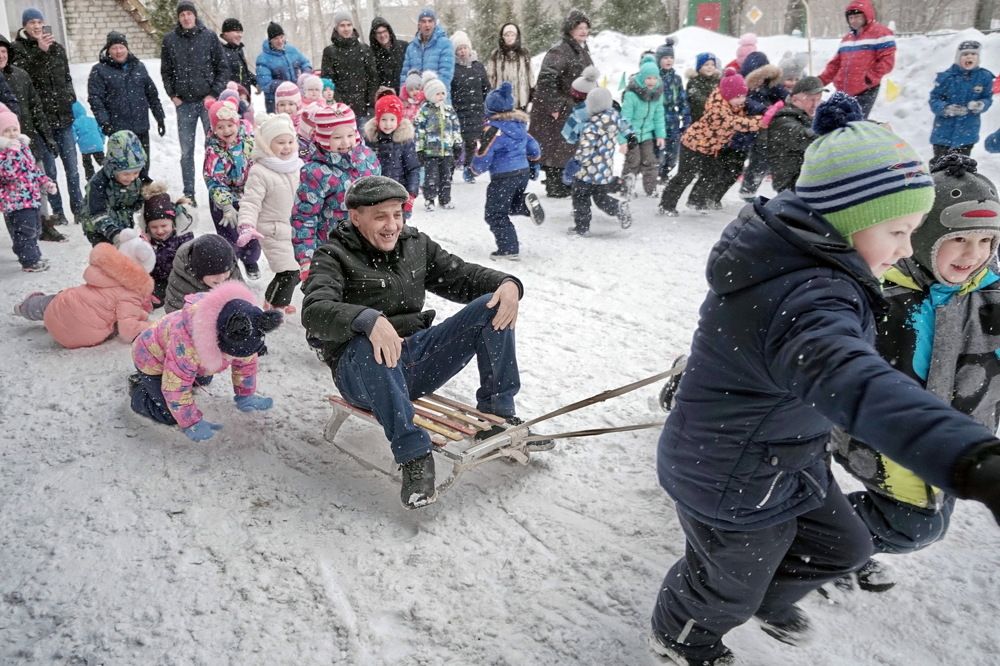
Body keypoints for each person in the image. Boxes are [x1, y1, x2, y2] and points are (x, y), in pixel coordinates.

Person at [647, 94, 1000, 666]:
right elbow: (854, 379)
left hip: (787, 454)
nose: (907, 248)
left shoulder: (815, 259)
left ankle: (765, 596)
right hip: (727, 473)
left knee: (844, 546)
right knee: (728, 583)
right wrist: (967, 457)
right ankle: (685, 637)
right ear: (848, 219)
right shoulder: (808, 295)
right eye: (898, 230)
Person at [302, 175, 553, 509]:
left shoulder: (415, 246)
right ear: (355, 217)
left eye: (397, 214)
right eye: (380, 217)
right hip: (361, 372)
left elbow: (462, 275)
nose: (392, 225)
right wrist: (367, 319)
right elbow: (314, 311)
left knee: (490, 305)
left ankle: (497, 416)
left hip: (413, 360)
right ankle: (414, 457)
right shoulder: (332, 256)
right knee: (368, 342)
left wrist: (507, 283)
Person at [832, 154, 1000, 589]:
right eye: (960, 239)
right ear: (924, 235)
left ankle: (841, 544)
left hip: (950, 434)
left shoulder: (990, 295)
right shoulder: (880, 291)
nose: (973, 255)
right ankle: (820, 545)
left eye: (987, 242)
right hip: (881, 430)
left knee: (923, 520)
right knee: (914, 524)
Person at [128, 281, 282, 441]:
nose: (237, 359)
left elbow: (246, 362)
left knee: (205, 377)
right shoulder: (187, 345)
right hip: (149, 358)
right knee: (170, 414)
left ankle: (155, 386)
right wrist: (190, 422)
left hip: (180, 357)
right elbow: (175, 386)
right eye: (232, 355)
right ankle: (139, 390)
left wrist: (246, 394)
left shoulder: (248, 325)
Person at [13, 229, 155, 348]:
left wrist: (138, 313)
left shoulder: (105, 269)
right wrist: (152, 326)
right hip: (76, 335)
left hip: (57, 309)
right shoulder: (130, 292)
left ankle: (24, 308)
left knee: (60, 299)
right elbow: (128, 330)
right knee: (108, 320)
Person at [657, 69, 766, 216]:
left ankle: (696, 200)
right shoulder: (718, 108)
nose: (742, 99)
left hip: (710, 147)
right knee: (685, 175)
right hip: (693, 144)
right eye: (738, 97)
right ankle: (666, 205)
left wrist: (766, 110)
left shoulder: (734, 103)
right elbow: (736, 123)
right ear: (728, 95)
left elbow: (749, 105)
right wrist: (762, 121)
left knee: (712, 173)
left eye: (743, 95)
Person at [291, 103, 380, 282]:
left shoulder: (367, 158)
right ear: (324, 138)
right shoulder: (315, 172)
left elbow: (381, 195)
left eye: (350, 135)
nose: (346, 142)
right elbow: (304, 217)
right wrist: (307, 259)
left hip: (371, 244)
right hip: (335, 250)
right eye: (337, 137)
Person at [12, 7, 84, 221]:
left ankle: (78, 209)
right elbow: (24, 77)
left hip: (64, 118)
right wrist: (39, 52)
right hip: (41, 123)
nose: (36, 26)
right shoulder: (18, 49)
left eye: (39, 22)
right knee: (49, 172)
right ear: (24, 26)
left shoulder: (57, 48)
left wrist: (70, 97)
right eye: (31, 22)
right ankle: (58, 213)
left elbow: (67, 77)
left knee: (72, 169)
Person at [160, 1, 228, 204]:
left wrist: (214, 93)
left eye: (189, 14)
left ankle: (216, 188)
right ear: (178, 18)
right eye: (182, 15)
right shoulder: (170, 40)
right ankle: (189, 193)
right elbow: (166, 71)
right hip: (185, 104)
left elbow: (222, 67)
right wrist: (172, 94)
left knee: (214, 148)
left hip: (207, 102)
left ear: (195, 16)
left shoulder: (208, 37)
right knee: (186, 151)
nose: (186, 17)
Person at [236, 113, 303, 314]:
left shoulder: (297, 166)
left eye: (290, 141)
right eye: (280, 142)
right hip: (273, 230)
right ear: (266, 144)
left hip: (295, 229)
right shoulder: (260, 171)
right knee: (289, 271)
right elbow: (250, 201)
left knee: (297, 270)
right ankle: (273, 307)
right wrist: (247, 225)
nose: (287, 147)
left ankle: (276, 301)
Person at [469, 82, 543, 259]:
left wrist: (473, 170)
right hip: (522, 172)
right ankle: (525, 204)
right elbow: (534, 148)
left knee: (495, 213)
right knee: (508, 204)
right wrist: (533, 163)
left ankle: (509, 249)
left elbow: (483, 154)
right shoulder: (519, 125)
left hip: (504, 176)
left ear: (490, 109)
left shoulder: (493, 130)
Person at [0, 33, 62, 240]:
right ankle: (21, 235)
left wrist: (46, 137)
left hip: (26, 139)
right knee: (11, 192)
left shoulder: (20, 75)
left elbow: (35, 108)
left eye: (4, 51)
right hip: (4, 148)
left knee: (39, 181)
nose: (1, 55)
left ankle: (42, 225)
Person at [530, 10, 593, 198]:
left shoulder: (581, 49)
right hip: (559, 106)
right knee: (556, 146)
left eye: (585, 27)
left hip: (574, 106)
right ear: (570, 29)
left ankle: (563, 181)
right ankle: (554, 184)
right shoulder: (560, 50)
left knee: (567, 146)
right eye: (578, 27)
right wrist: (554, 106)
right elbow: (547, 79)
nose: (583, 31)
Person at [88, 31, 165, 186]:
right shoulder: (100, 70)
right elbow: (96, 99)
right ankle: (124, 199)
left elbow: (152, 94)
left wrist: (160, 117)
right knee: (123, 168)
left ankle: (143, 197)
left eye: (121, 47)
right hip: (118, 130)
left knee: (142, 164)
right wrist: (105, 123)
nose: (118, 51)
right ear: (108, 50)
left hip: (140, 126)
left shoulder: (139, 67)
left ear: (127, 48)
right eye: (114, 48)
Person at [203, 98, 258, 279]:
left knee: (251, 231)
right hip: (223, 198)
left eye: (229, 125)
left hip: (247, 195)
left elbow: (259, 163)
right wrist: (226, 205)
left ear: (236, 122)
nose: (226, 131)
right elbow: (213, 179)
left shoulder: (249, 141)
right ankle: (231, 268)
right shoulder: (213, 150)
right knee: (229, 236)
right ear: (214, 129)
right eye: (220, 127)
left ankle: (250, 260)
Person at [567, 86, 631, 236]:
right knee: (600, 198)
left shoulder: (591, 126)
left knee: (580, 199)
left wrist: (575, 163)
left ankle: (582, 228)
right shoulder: (614, 118)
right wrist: (631, 136)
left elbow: (585, 149)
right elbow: (625, 124)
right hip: (604, 170)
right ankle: (617, 208)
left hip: (587, 172)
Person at [0, 103, 56, 272]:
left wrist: (45, 182)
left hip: (30, 198)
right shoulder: (3, 152)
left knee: (35, 229)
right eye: (6, 131)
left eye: (14, 129)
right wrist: (11, 153)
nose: (12, 134)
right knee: (27, 230)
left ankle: (27, 252)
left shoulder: (23, 147)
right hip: (15, 200)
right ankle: (30, 260)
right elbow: (8, 174)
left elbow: (32, 169)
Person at [819, 0, 895, 118]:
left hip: (864, 91)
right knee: (834, 122)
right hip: (842, 91)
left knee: (855, 125)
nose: (854, 21)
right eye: (851, 18)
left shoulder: (881, 34)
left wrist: (869, 78)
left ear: (867, 16)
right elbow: (835, 64)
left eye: (858, 17)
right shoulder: (847, 39)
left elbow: (887, 61)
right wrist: (821, 81)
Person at [735, 53, 788, 201]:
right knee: (740, 159)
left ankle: (749, 189)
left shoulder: (769, 84)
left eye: (763, 77)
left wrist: (786, 102)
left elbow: (784, 95)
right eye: (757, 77)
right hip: (748, 125)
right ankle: (745, 185)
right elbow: (745, 101)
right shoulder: (743, 87)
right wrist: (763, 109)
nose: (760, 81)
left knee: (762, 158)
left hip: (767, 126)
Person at [928, 40, 995, 159]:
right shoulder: (946, 77)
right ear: (958, 57)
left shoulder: (984, 77)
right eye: (965, 54)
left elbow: (988, 98)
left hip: (967, 134)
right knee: (939, 168)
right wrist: (946, 109)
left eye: (973, 54)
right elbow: (934, 99)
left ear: (978, 58)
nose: (969, 57)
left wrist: (981, 104)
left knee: (961, 169)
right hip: (943, 133)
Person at [80, 129, 147, 246]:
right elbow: (97, 213)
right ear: (113, 168)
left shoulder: (139, 178)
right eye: (126, 174)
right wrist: (114, 234)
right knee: (109, 257)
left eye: (135, 173)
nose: (131, 178)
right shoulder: (97, 183)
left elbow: (149, 196)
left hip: (123, 220)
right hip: (98, 227)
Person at [363, 92, 420, 218]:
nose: (388, 124)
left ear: (398, 120)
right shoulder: (371, 140)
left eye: (392, 119)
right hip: (375, 195)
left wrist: (411, 194)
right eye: (384, 119)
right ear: (377, 119)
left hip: (399, 195)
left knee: (397, 228)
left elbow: (413, 168)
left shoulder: (404, 141)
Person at [765, 76, 824, 193]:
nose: (815, 104)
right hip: (792, 185)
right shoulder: (782, 120)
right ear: (795, 99)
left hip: (808, 180)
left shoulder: (809, 117)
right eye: (811, 99)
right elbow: (807, 138)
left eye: (818, 99)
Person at [141, 181, 194, 307]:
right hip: (157, 281)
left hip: (180, 279)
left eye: (164, 225)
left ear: (173, 224)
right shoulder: (144, 241)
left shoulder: (183, 238)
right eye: (154, 227)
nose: (159, 231)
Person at [414, 76, 462, 212]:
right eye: (437, 93)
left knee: (446, 176)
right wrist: (419, 149)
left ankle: (445, 199)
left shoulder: (448, 110)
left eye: (443, 93)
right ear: (430, 95)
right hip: (430, 151)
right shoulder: (425, 111)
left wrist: (457, 144)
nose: (441, 96)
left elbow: (455, 128)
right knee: (431, 177)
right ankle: (429, 199)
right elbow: (419, 131)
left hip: (447, 151)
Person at [322, 12, 378, 126]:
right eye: (342, 25)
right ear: (336, 28)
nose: (346, 28)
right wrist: (339, 103)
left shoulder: (364, 49)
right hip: (340, 109)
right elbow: (328, 80)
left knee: (364, 141)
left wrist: (370, 103)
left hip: (363, 107)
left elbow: (373, 78)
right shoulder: (330, 51)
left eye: (349, 25)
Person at [621, 55, 665, 199]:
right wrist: (623, 141)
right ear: (641, 78)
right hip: (631, 135)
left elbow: (659, 116)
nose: (651, 81)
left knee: (650, 162)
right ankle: (626, 188)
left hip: (646, 135)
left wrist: (660, 135)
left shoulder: (657, 94)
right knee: (633, 161)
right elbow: (624, 119)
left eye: (654, 78)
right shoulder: (631, 95)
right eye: (648, 78)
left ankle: (650, 189)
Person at [164, 233, 242, 313]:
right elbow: (175, 312)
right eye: (214, 273)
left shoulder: (233, 271)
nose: (221, 278)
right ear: (199, 273)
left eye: (225, 271)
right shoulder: (181, 280)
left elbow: (243, 297)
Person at [449, 31, 489, 183]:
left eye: (465, 47)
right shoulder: (453, 68)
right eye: (459, 49)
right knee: (456, 144)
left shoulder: (478, 66)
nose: (462, 51)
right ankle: (449, 171)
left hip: (476, 110)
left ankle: (469, 170)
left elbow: (486, 87)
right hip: (459, 112)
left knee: (472, 143)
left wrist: (484, 105)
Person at [256, 22, 312, 114]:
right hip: (276, 102)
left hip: (295, 99)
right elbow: (265, 84)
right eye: (276, 39)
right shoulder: (263, 59)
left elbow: (305, 63)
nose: (280, 41)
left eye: (281, 37)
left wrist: (305, 76)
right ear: (270, 40)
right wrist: (287, 86)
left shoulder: (292, 50)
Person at [398, 8, 454, 97]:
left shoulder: (444, 44)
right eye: (423, 21)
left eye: (430, 21)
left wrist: (429, 93)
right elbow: (405, 75)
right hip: (414, 101)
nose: (427, 25)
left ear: (435, 23)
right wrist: (404, 96)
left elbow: (446, 74)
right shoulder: (411, 47)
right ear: (419, 24)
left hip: (437, 99)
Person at [656, 37, 690, 181]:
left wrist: (686, 118)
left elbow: (682, 100)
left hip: (673, 120)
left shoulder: (676, 79)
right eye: (665, 58)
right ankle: (657, 175)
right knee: (659, 151)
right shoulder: (654, 77)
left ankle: (665, 172)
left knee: (673, 154)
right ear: (659, 60)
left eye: (671, 57)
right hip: (657, 120)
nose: (668, 60)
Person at [486, 23, 534, 111]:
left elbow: (530, 74)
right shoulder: (496, 54)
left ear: (517, 36)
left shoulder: (524, 53)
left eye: (512, 35)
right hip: (502, 101)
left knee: (520, 124)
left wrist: (532, 93)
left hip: (522, 99)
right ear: (502, 37)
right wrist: (492, 94)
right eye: (507, 35)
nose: (510, 38)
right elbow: (490, 77)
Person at [369, 17, 408, 91]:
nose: (382, 35)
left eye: (384, 31)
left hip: (404, 93)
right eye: (379, 33)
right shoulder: (371, 54)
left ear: (389, 32)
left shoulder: (404, 47)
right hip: (385, 96)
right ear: (374, 35)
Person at [219, 18, 256, 92]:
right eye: (237, 32)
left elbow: (243, 71)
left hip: (244, 96)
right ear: (226, 33)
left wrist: (255, 82)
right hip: (228, 98)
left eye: (241, 32)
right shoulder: (218, 50)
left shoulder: (238, 49)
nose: (240, 35)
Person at [71, 101, 105, 181]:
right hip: (97, 145)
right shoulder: (93, 120)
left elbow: (73, 136)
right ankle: (110, 172)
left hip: (85, 148)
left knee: (87, 164)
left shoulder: (75, 123)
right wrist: (102, 140)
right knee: (102, 160)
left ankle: (90, 178)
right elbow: (101, 131)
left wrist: (75, 142)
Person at [686, 52, 720, 124]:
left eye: (712, 65)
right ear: (699, 67)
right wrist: (714, 104)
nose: (710, 67)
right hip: (699, 118)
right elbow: (697, 98)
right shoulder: (694, 82)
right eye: (706, 64)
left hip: (716, 118)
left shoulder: (717, 81)